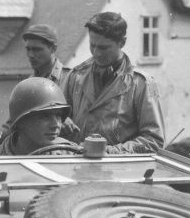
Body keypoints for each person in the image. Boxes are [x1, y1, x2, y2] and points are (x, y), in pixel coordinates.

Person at [61, 11, 165, 154]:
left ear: (122, 42)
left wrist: (110, 152)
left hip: (119, 171)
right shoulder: (75, 76)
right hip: (77, 167)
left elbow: (154, 141)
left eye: (103, 47)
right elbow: (56, 119)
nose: (96, 53)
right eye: (92, 45)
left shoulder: (145, 83)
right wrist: (61, 121)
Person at [0, 77, 77, 156]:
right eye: (45, 116)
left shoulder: (71, 155)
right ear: (21, 122)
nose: (56, 125)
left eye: (58, 116)